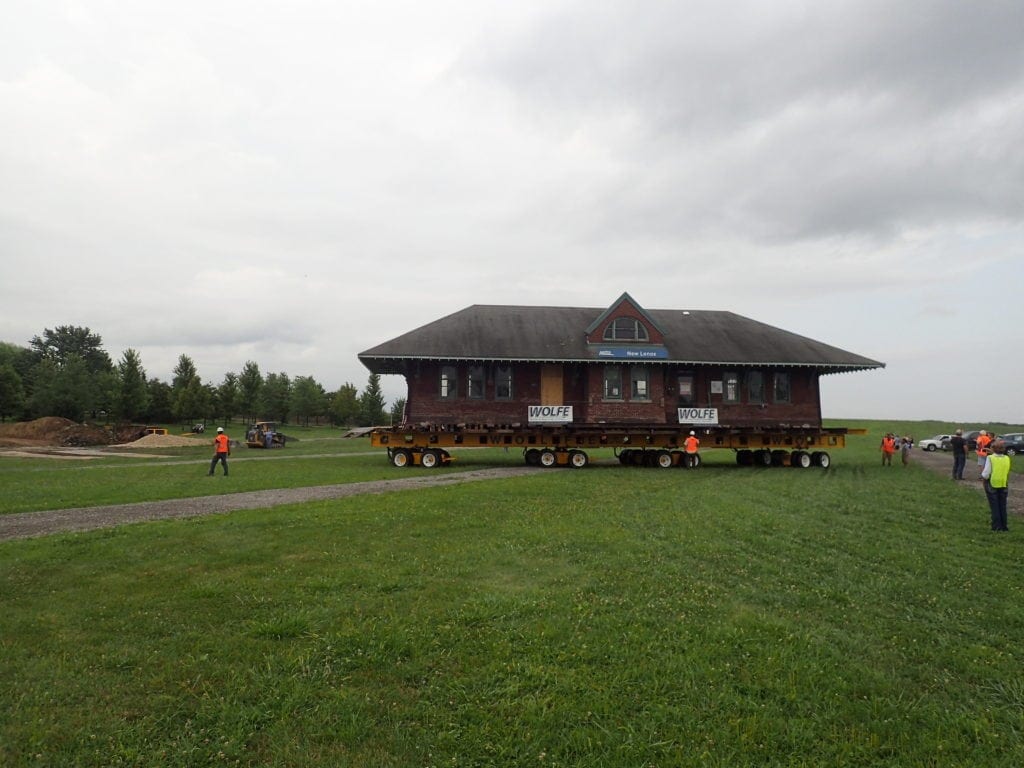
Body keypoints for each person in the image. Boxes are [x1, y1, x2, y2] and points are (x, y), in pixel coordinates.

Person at [980, 439, 1011, 532]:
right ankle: (1004, 526)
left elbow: (986, 473)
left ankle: (996, 526)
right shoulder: (1007, 458)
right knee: (1002, 505)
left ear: (993, 449)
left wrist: (983, 477)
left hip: (992, 483)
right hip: (1003, 482)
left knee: (994, 506)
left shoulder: (990, 458)